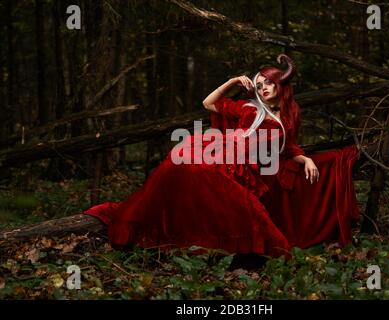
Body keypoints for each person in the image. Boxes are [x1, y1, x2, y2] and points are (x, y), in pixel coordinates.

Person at [83, 54, 360, 257]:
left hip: (244, 167)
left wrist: (306, 159)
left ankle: (221, 246)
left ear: (281, 86)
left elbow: (289, 149)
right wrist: (231, 81)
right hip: (220, 152)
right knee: (179, 170)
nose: (263, 88)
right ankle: (147, 227)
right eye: (259, 83)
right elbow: (209, 103)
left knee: (225, 198)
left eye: (269, 83)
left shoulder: (288, 117)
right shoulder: (248, 108)